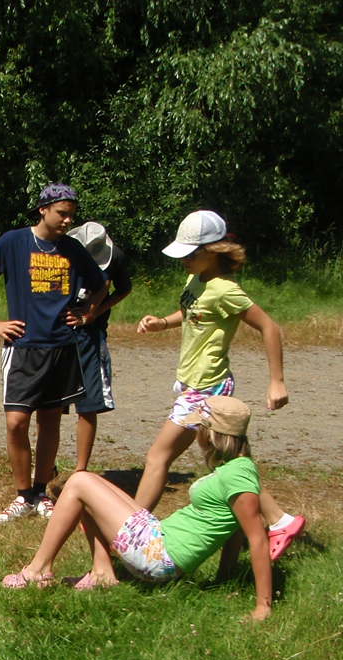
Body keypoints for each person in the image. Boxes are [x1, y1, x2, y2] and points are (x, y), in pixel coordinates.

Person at [2, 396, 274, 621]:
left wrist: (263, 606)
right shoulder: (237, 469)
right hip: (160, 541)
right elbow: (234, 528)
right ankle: (102, 573)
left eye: (199, 429)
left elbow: (257, 538)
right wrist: (224, 578)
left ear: (212, 435)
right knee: (89, 484)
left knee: (79, 482)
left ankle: (37, 570)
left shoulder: (237, 477)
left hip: (158, 556)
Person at [134, 210, 305, 559]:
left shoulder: (226, 290)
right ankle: (277, 521)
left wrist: (277, 381)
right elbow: (193, 312)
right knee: (227, 468)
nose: (184, 260)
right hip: (193, 385)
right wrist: (163, 323)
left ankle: (130, 531)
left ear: (214, 251)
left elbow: (269, 327)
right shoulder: (195, 279)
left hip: (207, 388)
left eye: (191, 253)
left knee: (157, 457)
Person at [0, 183, 106, 523]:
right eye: (62, 213)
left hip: (61, 345)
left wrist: (87, 314)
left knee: (50, 421)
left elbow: (101, 284)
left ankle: (40, 492)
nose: (67, 220)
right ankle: (22, 495)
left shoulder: (72, 248)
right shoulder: (14, 242)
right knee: (16, 422)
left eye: (72, 215)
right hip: (23, 347)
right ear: (43, 210)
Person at [66, 221, 132, 472]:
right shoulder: (63, 251)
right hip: (59, 333)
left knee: (88, 405)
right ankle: (45, 466)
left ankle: (80, 470)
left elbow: (122, 289)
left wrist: (94, 313)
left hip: (91, 337)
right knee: (50, 405)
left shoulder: (115, 257)